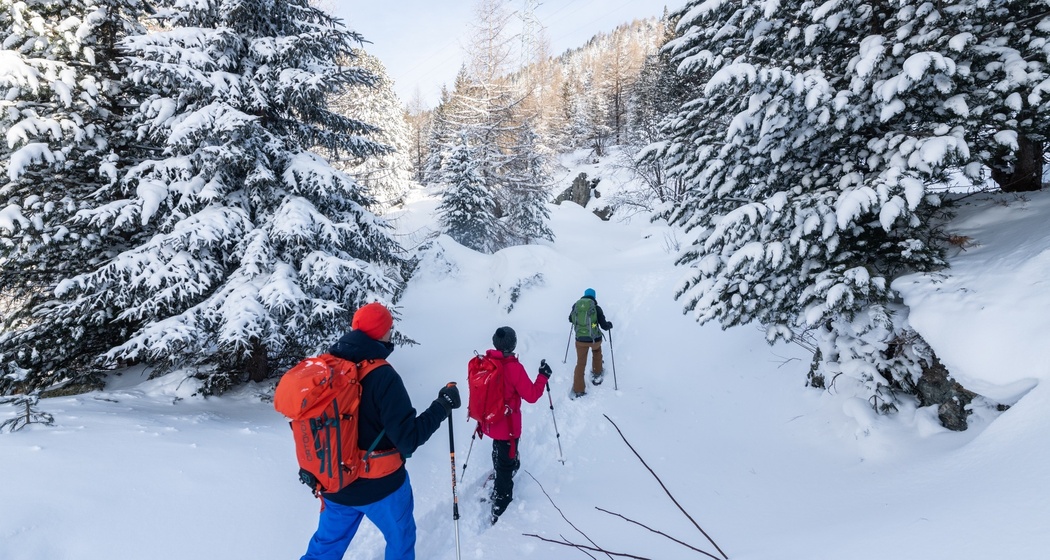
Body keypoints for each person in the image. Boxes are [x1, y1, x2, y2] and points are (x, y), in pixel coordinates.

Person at [300, 302, 461, 560]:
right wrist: (443, 405)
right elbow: (408, 440)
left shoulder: (327, 366)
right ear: (381, 334)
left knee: (325, 548)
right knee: (401, 539)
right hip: (382, 488)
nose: (391, 333)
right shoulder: (384, 377)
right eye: (389, 328)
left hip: (335, 482)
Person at [482, 326, 551, 525]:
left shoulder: (487, 362)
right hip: (508, 426)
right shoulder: (513, 368)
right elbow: (531, 395)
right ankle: (501, 505)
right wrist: (543, 377)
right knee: (506, 459)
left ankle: (502, 470)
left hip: (491, 422)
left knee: (498, 449)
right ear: (513, 344)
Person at [568, 288, 613, 398]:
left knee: (580, 363)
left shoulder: (576, 306)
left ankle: (578, 389)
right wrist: (609, 325)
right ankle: (597, 374)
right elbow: (604, 326)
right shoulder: (596, 308)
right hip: (594, 340)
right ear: (594, 296)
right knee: (597, 352)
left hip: (580, 340)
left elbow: (570, 319)